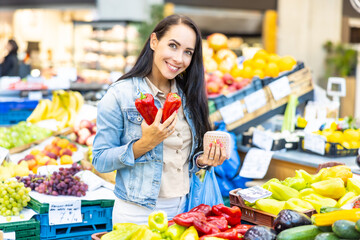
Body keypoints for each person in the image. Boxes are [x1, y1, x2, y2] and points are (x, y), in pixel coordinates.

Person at [92, 14, 227, 225]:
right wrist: (145, 144)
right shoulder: (120, 95)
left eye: (188, 52)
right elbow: (100, 160)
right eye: (173, 46)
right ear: (154, 41)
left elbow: (183, 161)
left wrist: (202, 160)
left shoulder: (188, 96)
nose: (179, 59)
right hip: (136, 214)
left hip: (185, 209)